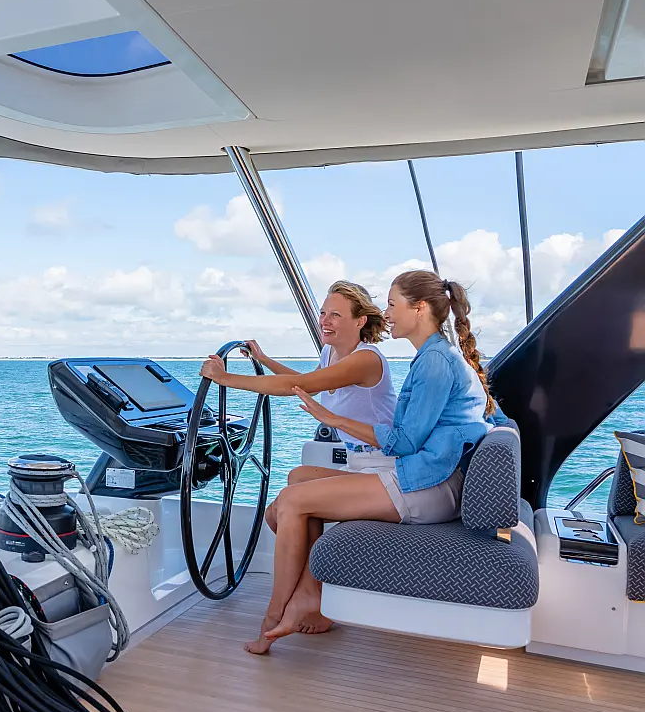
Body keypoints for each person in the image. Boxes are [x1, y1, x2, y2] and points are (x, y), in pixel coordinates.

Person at [244, 269, 505, 655]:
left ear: (419, 308)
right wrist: (266, 360)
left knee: (293, 502)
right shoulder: (433, 356)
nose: (387, 314)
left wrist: (334, 419)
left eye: (393, 304)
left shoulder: (434, 362)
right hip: (427, 474)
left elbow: (405, 441)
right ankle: (311, 596)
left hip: (428, 484)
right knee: (294, 489)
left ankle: (274, 616)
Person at [200, 281, 398, 488]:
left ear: (360, 321)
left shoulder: (366, 359)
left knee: (294, 498)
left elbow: (298, 384)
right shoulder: (329, 352)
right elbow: (307, 387)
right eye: (323, 313)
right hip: (356, 461)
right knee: (297, 478)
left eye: (335, 315)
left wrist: (225, 378)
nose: (325, 321)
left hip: (384, 463)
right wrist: (263, 359)